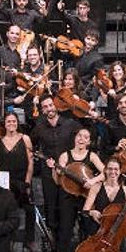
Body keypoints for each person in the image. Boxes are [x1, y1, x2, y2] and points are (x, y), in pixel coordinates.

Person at [52, 127, 105, 252]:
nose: (81, 139)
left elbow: (105, 171)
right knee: (65, 230)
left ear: (89, 142)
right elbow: (57, 181)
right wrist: (55, 170)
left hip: (85, 198)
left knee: (88, 231)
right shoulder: (64, 156)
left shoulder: (92, 156)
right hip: (67, 197)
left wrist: (93, 180)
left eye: (85, 137)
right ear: (75, 138)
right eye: (79, 136)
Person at [31, 96, 82, 239]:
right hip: (49, 171)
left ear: (56, 106)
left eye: (51, 105)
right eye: (45, 107)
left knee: (67, 204)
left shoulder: (70, 124)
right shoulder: (39, 127)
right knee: (51, 202)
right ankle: (53, 235)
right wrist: (40, 157)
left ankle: (67, 234)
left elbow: (85, 137)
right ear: (42, 110)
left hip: (68, 171)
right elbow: (31, 144)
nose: (49, 108)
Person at [0, 112, 36, 252]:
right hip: (5, 182)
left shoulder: (25, 139)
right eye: (8, 121)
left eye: (14, 121)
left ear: (17, 123)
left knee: (30, 211)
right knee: (7, 214)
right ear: (4, 124)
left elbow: (30, 163)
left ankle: (29, 241)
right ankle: (7, 241)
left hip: (22, 180)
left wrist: (27, 182)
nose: (11, 124)